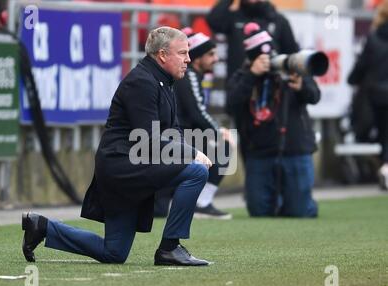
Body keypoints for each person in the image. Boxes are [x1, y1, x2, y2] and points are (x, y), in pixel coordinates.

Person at [21, 27, 214, 266]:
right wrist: (192, 153)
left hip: (134, 164)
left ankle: (42, 226)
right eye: (183, 53)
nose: (188, 59)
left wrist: (188, 149)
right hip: (123, 166)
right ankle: (170, 248)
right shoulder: (142, 82)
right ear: (162, 55)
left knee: (114, 253)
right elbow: (149, 139)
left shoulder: (164, 81)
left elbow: (172, 132)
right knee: (196, 172)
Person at [226, 21, 321, 218]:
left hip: (295, 148)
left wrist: (302, 86)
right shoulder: (242, 75)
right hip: (260, 151)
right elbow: (231, 105)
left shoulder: (292, 67)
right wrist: (252, 75)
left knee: (298, 213)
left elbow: (314, 96)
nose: (268, 60)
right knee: (259, 211)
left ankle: (305, 202)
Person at [154, 28, 234, 220]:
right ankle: (201, 203)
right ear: (197, 57)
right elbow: (196, 113)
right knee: (222, 146)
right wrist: (218, 131)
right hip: (175, 138)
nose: (215, 59)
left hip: (175, 137)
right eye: (211, 54)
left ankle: (194, 201)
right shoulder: (188, 75)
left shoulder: (191, 76)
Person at [348, 0, 388, 191]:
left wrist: (352, 79)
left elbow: (361, 67)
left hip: (378, 96)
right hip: (380, 94)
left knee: (383, 135)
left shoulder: (373, 38)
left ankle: (386, 168)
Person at [206, 0, 298, 80]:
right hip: (238, 83)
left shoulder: (278, 20)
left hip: (271, 84)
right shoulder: (234, 16)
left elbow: (291, 53)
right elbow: (213, 21)